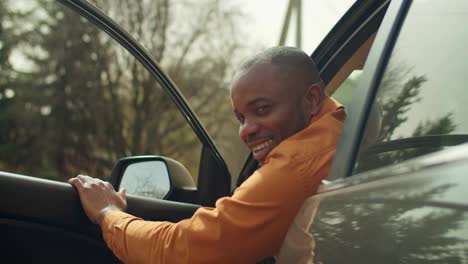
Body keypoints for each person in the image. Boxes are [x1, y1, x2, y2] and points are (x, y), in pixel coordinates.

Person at [68, 46, 345, 263]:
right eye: (241, 118)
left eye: (262, 110)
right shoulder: (338, 137)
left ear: (310, 99)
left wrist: (108, 213)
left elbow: (179, 251)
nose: (245, 131)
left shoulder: (297, 164)